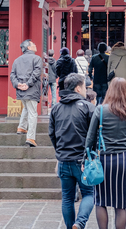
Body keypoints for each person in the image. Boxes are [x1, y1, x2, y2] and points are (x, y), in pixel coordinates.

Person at [85, 78, 126, 229]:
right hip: (123, 159)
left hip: (103, 160)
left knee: (101, 200)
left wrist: (85, 160)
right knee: (120, 204)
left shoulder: (100, 110)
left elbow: (90, 138)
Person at [49, 73, 96, 229]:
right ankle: (80, 223)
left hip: (63, 159)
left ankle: (71, 227)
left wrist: (59, 151)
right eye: (84, 86)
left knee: (67, 198)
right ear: (77, 88)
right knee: (89, 194)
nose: (85, 89)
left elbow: (52, 134)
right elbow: (95, 134)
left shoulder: (56, 108)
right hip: (82, 160)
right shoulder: (89, 107)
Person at [10, 39, 43, 147]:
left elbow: (12, 75)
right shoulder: (37, 58)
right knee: (33, 113)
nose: (35, 45)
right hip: (31, 89)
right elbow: (37, 73)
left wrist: (18, 84)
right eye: (33, 44)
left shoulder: (16, 60)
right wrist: (28, 84)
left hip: (21, 90)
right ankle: (30, 138)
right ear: (29, 47)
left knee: (26, 107)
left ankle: (22, 127)